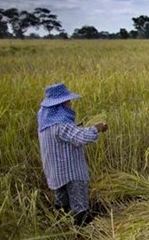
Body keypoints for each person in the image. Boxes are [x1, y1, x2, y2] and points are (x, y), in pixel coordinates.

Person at [37, 83, 108, 227]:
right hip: (72, 173)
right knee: (79, 206)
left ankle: (63, 229)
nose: (71, 103)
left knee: (62, 204)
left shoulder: (45, 124)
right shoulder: (62, 125)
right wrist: (96, 128)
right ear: (60, 105)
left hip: (55, 173)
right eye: (68, 101)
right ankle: (81, 233)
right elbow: (80, 138)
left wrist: (81, 128)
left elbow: (70, 135)